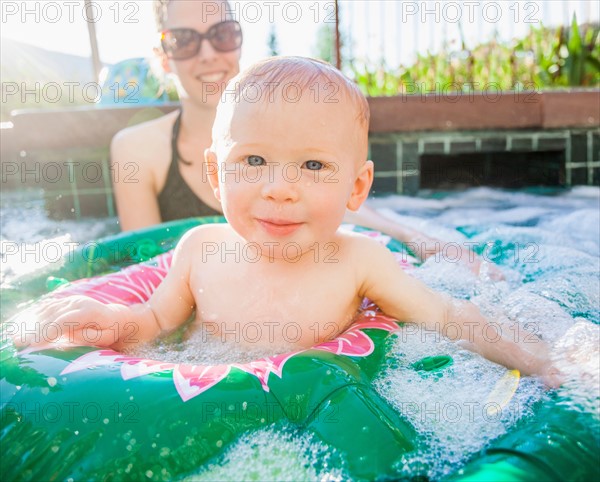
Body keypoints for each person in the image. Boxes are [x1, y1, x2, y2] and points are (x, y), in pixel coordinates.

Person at [17, 57, 558, 386]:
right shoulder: (200, 249)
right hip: (211, 401)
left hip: (317, 408)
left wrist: (551, 360)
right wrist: (114, 321)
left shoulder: (359, 261)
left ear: (357, 188)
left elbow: (450, 316)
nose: (279, 187)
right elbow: (155, 324)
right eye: (253, 161)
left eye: (314, 165)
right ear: (215, 172)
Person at [110, 0, 496, 277]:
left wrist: (421, 239)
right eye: (184, 41)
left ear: (239, 42)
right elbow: (140, 265)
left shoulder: (295, 119)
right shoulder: (138, 150)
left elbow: (339, 197)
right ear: (163, 57)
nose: (209, 53)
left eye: (222, 34)